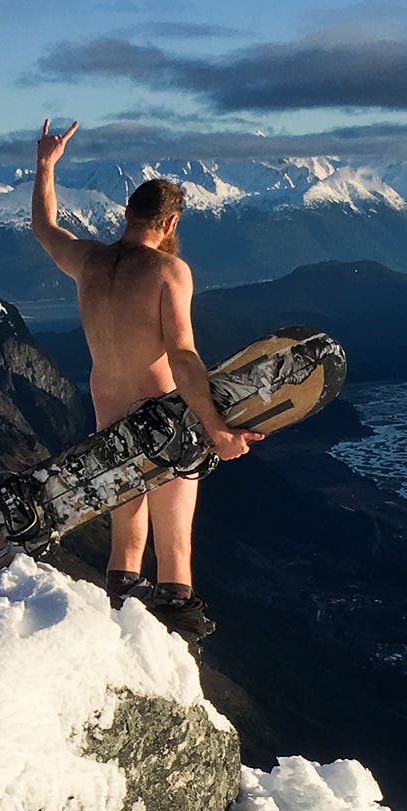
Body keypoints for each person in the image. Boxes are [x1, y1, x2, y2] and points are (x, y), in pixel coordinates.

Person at [27, 118, 259, 641]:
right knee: (175, 543)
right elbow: (181, 355)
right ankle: (177, 647)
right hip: (167, 420)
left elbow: (45, 229)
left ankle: (119, 627)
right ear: (171, 223)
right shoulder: (168, 273)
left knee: (126, 532)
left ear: (127, 216)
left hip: (109, 414)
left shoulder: (89, 261)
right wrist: (218, 430)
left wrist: (46, 165)